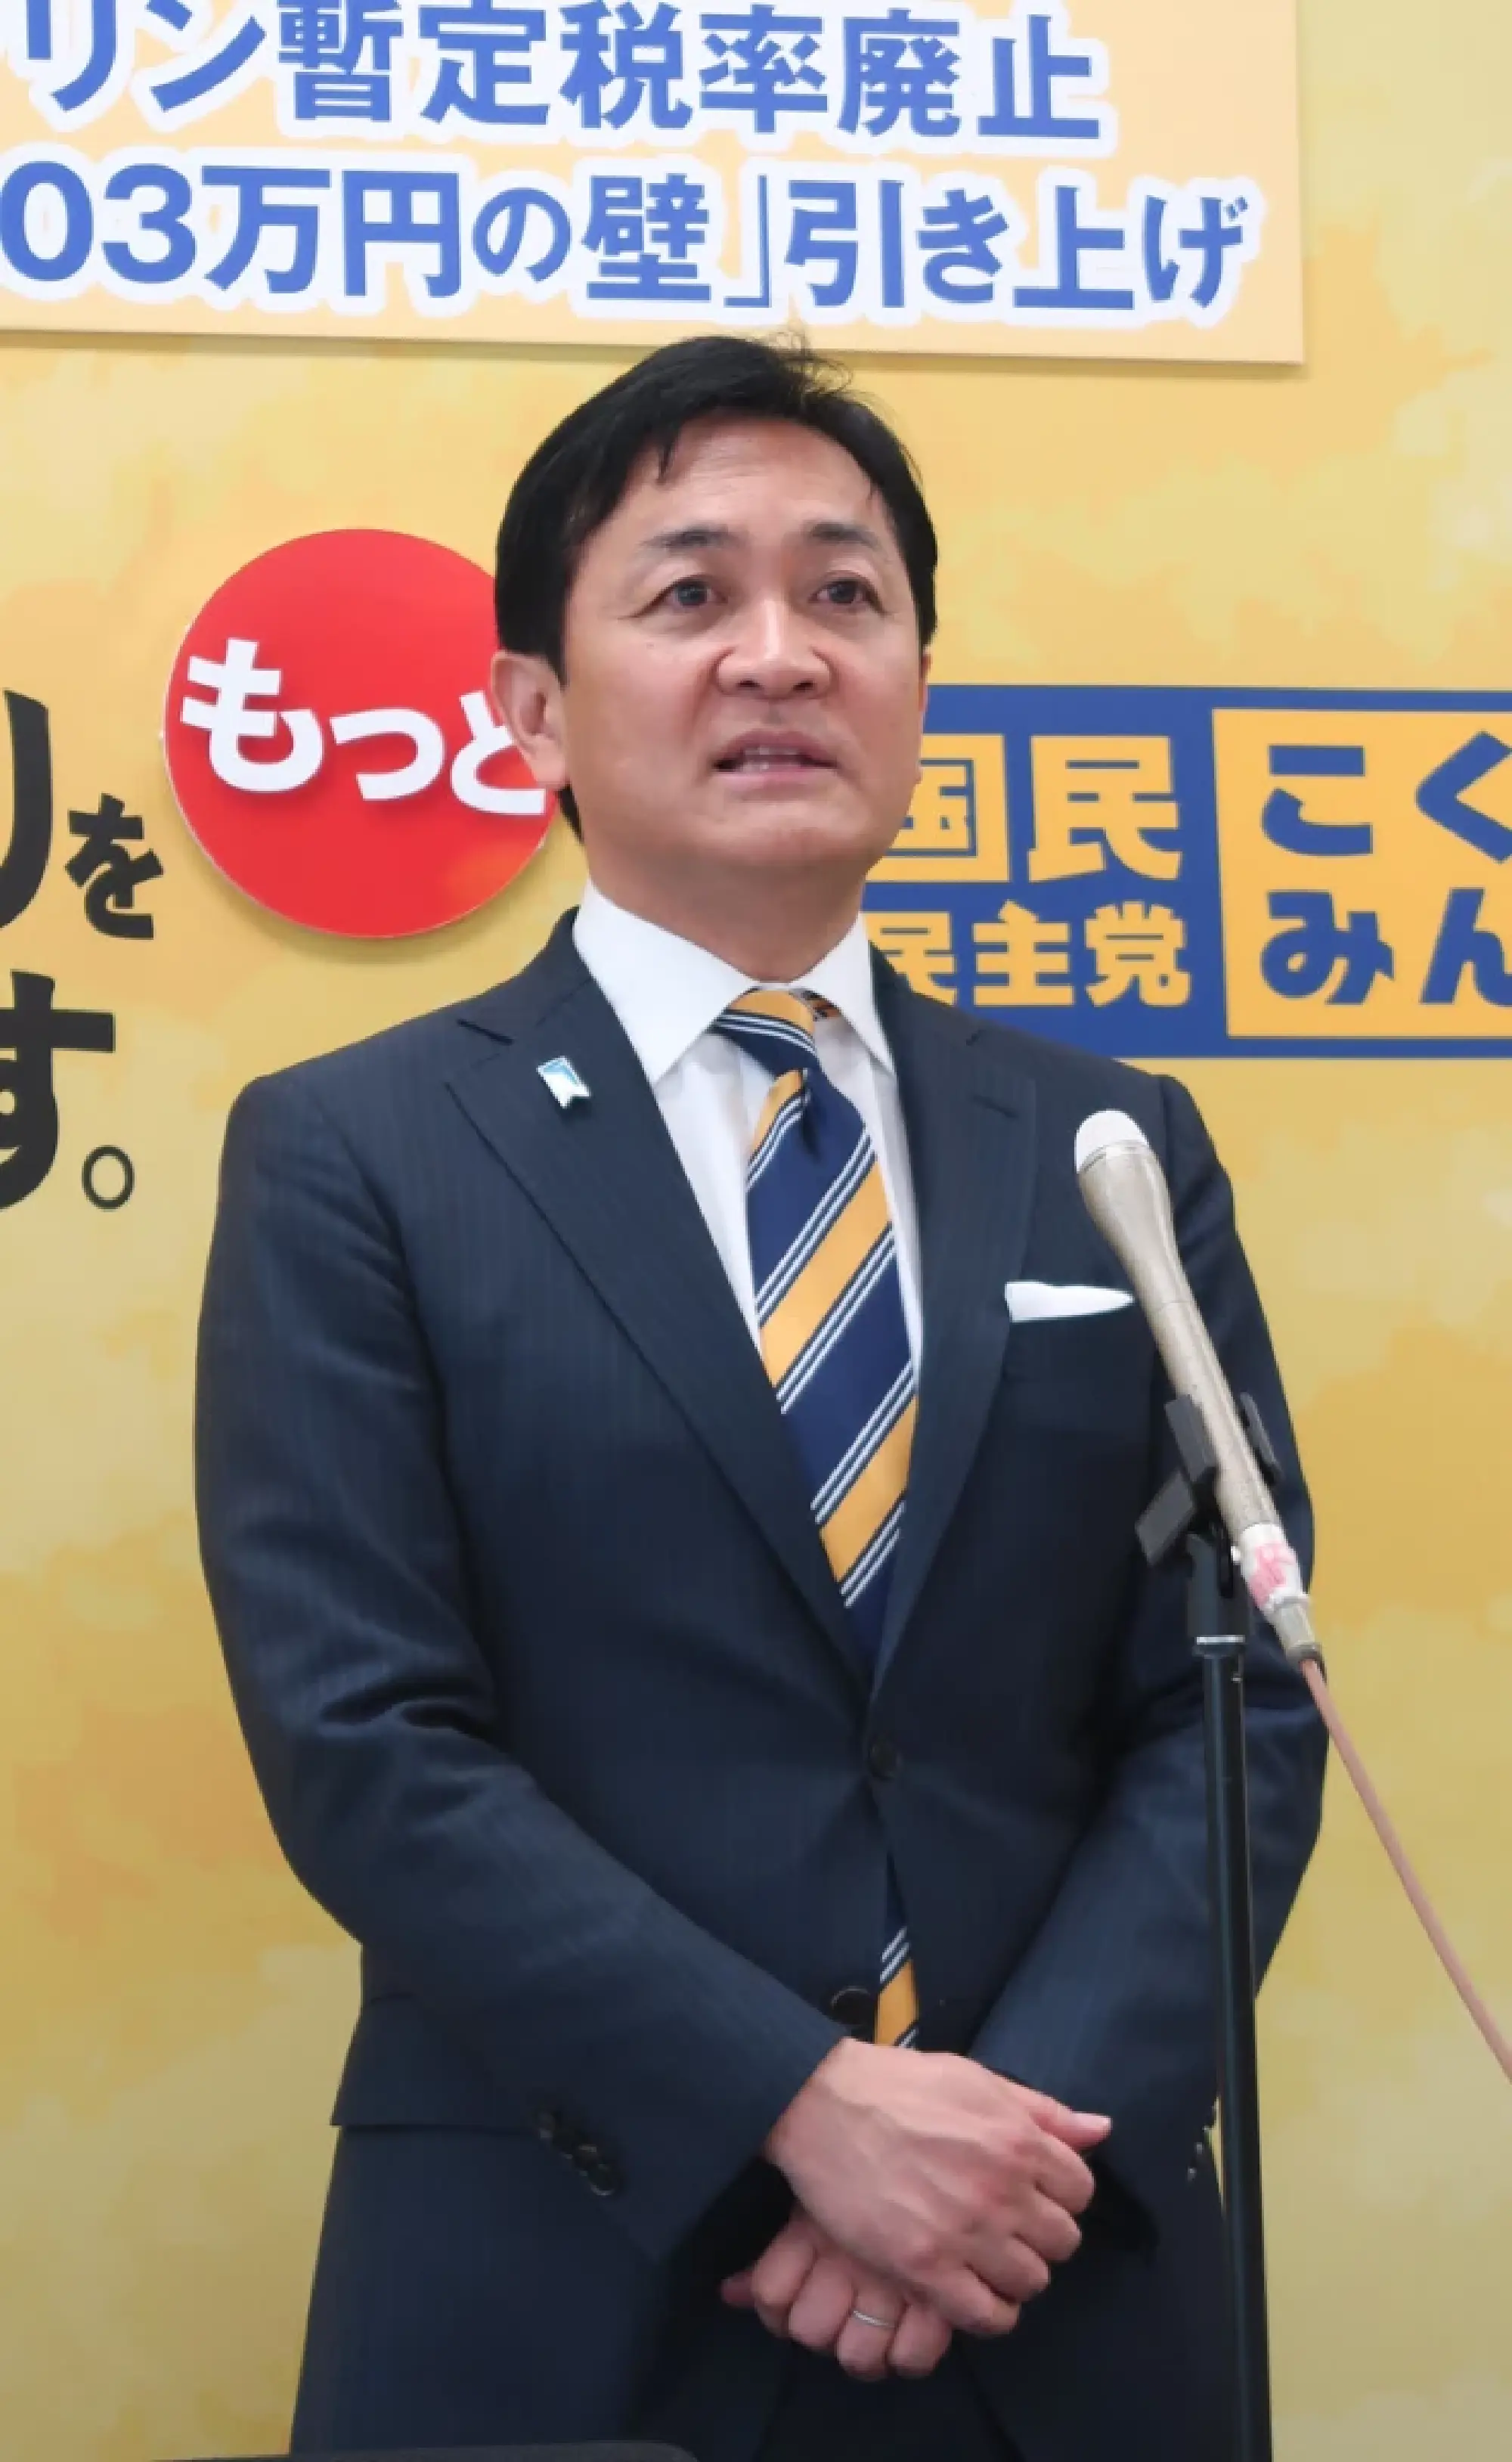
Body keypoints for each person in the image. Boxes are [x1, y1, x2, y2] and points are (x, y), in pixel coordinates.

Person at [195, 334, 1325, 2462]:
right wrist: (800, 2112)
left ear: (920, 672)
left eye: (847, 593)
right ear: (532, 704)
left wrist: (1002, 2156)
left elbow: (1239, 1691)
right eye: (691, 592)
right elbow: (366, 1738)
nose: (779, 656)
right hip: (566, 2266)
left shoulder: (1108, 1140)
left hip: (1054, 2278)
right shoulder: (362, 1154)